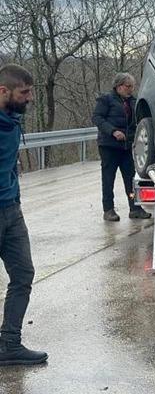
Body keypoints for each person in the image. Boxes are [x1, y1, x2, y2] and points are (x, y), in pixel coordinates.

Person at [0, 64, 48, 365]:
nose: (30, 98)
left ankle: (9, 344)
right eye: (25, 92)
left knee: (23, 275)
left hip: (10, 210)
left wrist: (15, 199)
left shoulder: (13, 121)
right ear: (3, 91)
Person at [92, 73, 151, 221]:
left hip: (127, 146)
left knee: (130, 179)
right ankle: (108, 209)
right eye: (128, 86)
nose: (131, 89)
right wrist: (113, 131)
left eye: (132, 86)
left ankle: (135, 208)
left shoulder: (133, 102)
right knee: (108, 179)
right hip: (109, 146)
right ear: (118, 86)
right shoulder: (106, 100)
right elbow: (97, 118)